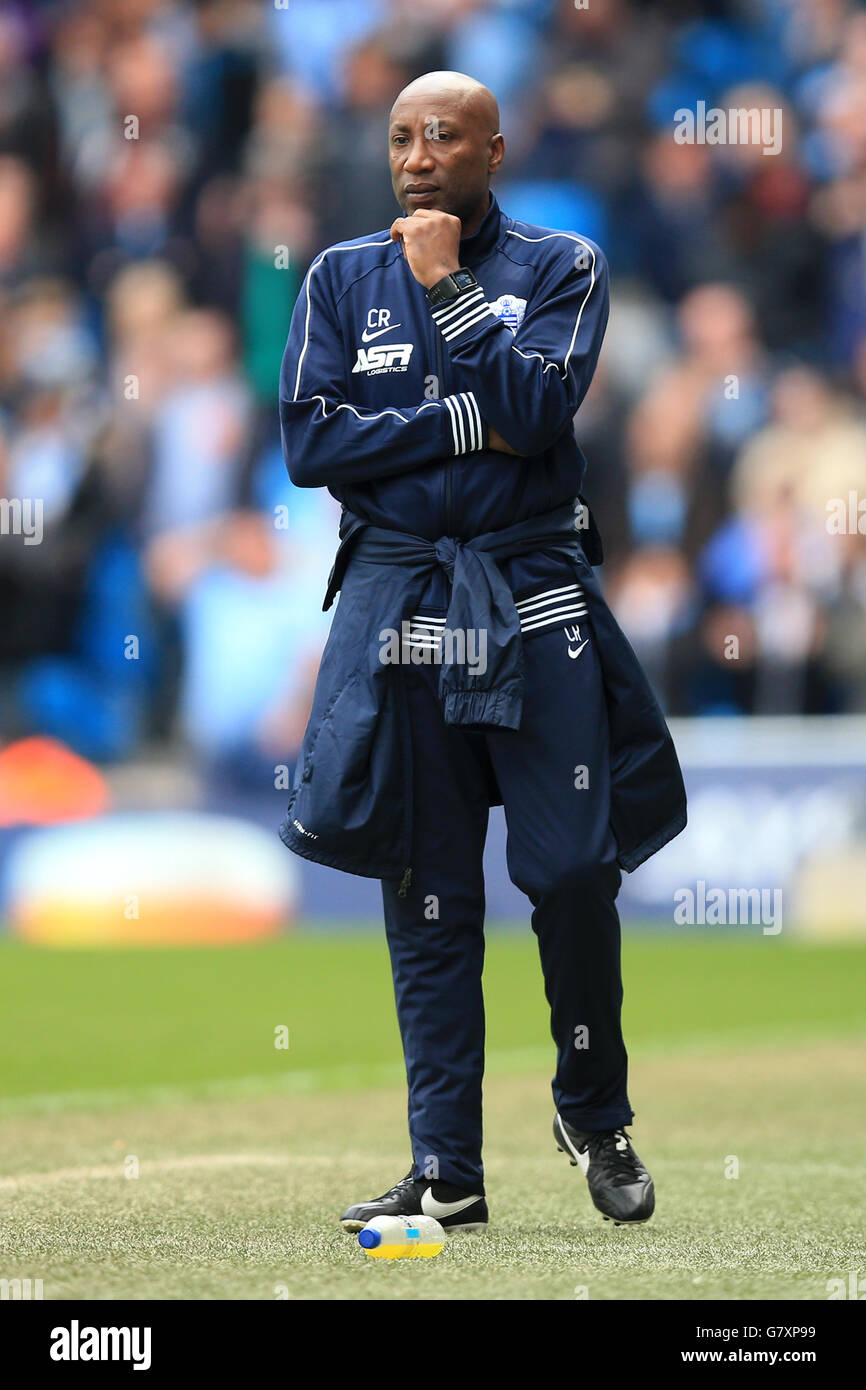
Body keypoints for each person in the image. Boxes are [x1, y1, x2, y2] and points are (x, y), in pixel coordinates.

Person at [278, 71, 687, 1232]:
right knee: (427, 893)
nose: (415, 157)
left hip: (530, 590)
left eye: (441, 137)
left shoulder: (561, 266)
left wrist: (447, 287)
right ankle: (444, 1169)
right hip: (401, 594)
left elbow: (541, 409)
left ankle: (590, 1109)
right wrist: (463, 424)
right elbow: (311, 442)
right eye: (401, 137)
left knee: (569, 870)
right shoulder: (335, 276)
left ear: (493, 150)